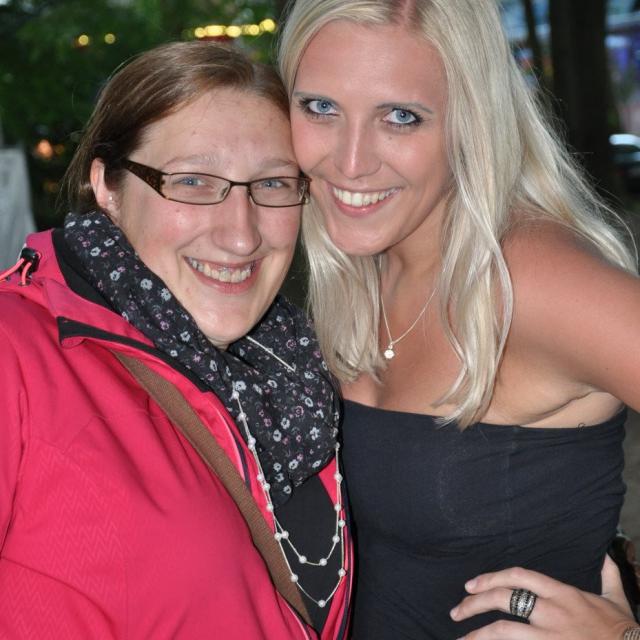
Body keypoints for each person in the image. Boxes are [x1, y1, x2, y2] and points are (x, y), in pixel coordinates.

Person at [277, 0, 640, 638]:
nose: (350, 161)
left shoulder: (536, 282)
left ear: (472, 120)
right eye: (320, 107)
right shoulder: (361, 265)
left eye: (401, 117)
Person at [0, 41, 351, 639]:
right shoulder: (16, 350)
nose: (241, 235)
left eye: (271, 183)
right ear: (107, 186)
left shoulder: (296, 376)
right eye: (192, 181)